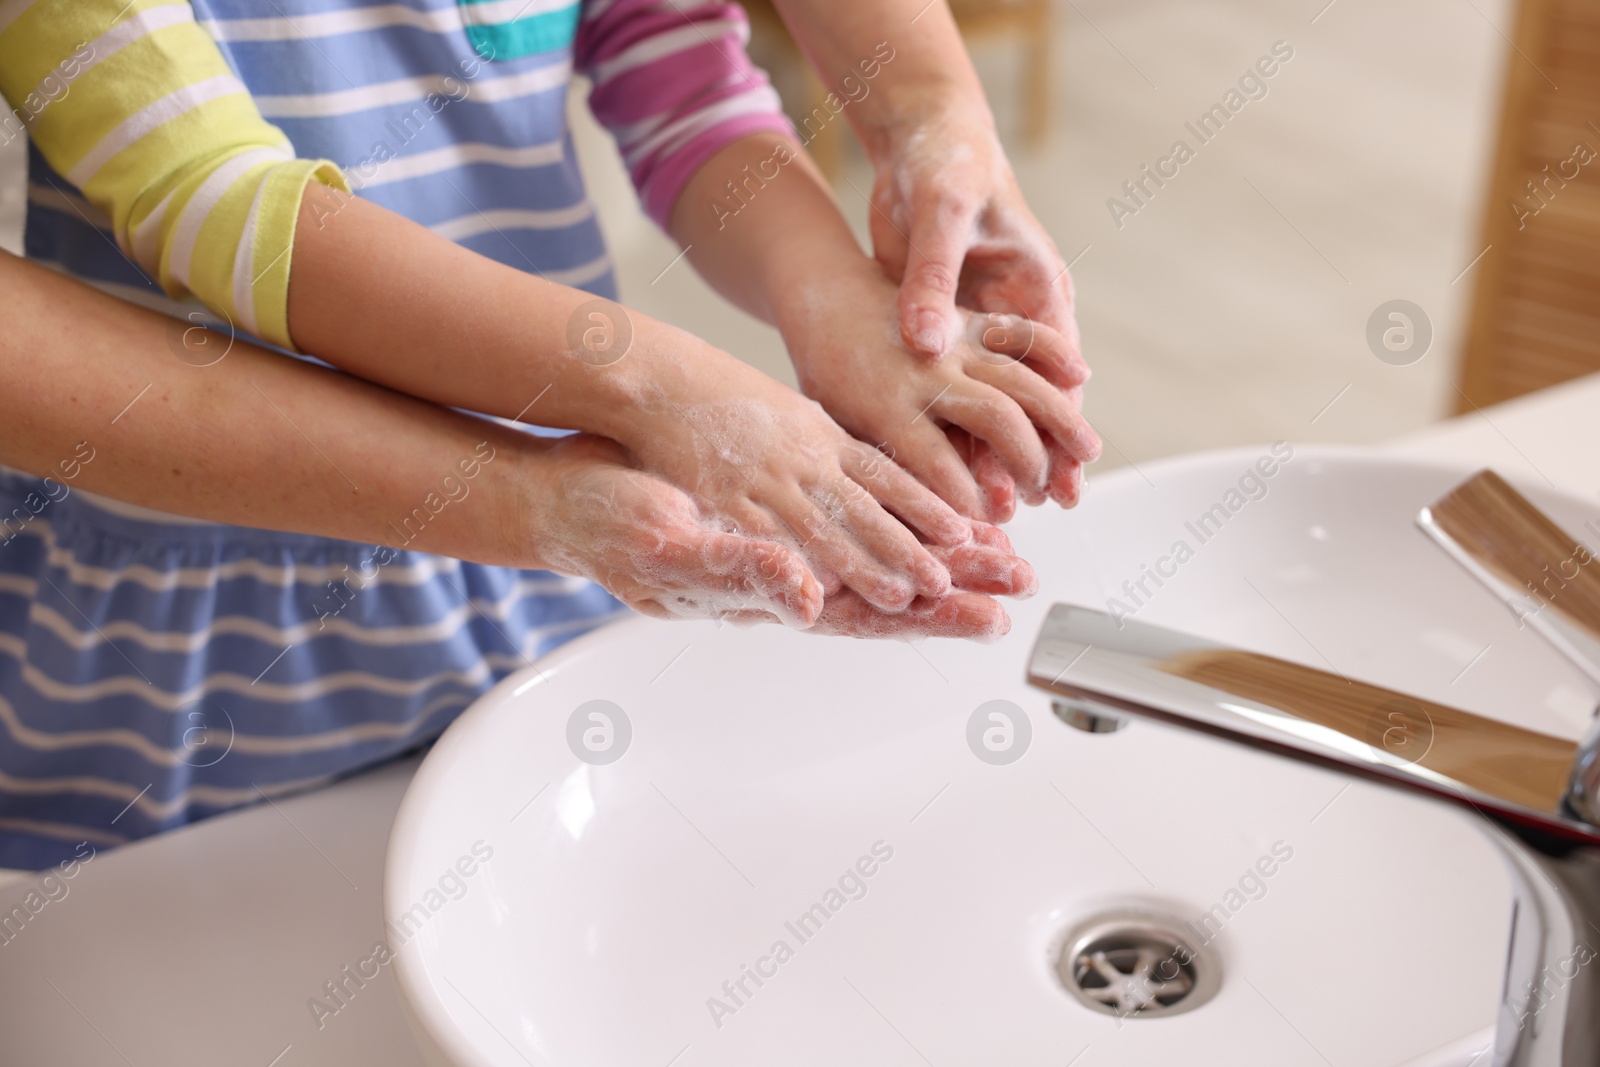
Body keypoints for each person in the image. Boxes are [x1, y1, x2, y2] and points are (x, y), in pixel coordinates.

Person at [0, 0, 1095, 868]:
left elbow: (672, 67)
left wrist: (837, 302)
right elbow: (220, 205)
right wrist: (661, 390)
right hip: (200, 650)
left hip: (518, 583)